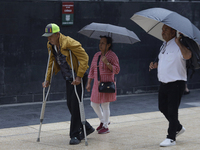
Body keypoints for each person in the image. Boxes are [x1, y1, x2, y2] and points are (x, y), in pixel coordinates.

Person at [41, 23, 94, 145]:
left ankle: (75, 134)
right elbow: (51, 62)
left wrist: (79, 76)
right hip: (68, 77)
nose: (48, 39)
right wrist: (47, 79)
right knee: (70, 104)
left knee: (75, 105)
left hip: (78, 76)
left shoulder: (69, 42)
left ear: (58, 34)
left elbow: (85, 58)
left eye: (51, 36)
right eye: (47, 36)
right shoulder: (51, 45)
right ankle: (87, 127)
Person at [149, 24, 192, 147]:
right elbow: (164, 61)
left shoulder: (180, 44)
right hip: (164, 82)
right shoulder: (164, 45)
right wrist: (155, 65)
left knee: (172, 110)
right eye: (162, 30)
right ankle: (178, 127)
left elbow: (188, 55)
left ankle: (171, 137)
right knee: (162, 107)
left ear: (173, 31)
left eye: (165, 30)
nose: (162, 32)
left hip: (176, 83)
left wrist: (179, 42)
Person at [86, 36, 120, 134]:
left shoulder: (112, 56)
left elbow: (117, 70)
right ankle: (103, 120)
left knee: (105, 105)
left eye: (103, 43)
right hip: (97, 84)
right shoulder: (97, 55)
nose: (100, 45)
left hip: (107, 84)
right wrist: (89, 83)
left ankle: (105, 126)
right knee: (93, 104)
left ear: (108, 45)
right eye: (100, 43)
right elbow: (92, 69)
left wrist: (107, 63)